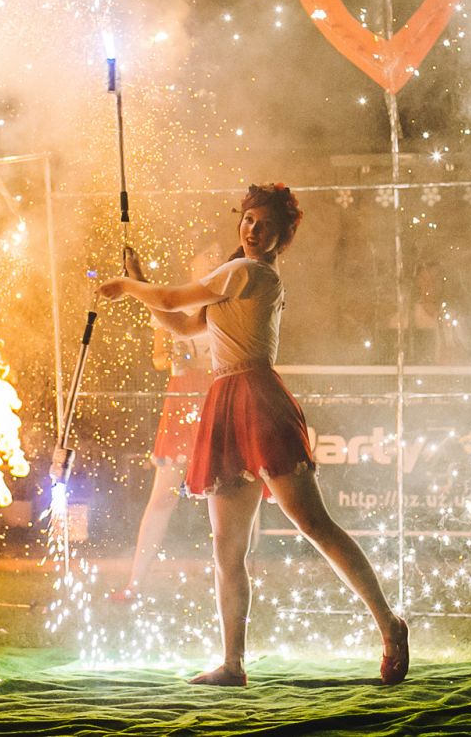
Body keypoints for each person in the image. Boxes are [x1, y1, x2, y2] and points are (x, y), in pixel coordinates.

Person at [99, 184, 409, 686]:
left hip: (258, 399)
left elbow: (173, 298)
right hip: (225, 401)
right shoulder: (233, 273)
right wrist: (138, 282)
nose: (253, 229)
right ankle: (232, 663)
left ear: (282, 237)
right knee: (227, 549)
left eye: (265, 225)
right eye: (248, 219)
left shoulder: (250, 272)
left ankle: (390, 624)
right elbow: (182, 325)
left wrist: (128, 286)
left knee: (314, 524)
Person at [109, 247, 217, 602]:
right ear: (192, 261)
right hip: (182, 395)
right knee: (162, 496)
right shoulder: (173, 302)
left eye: (217, 254)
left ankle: (226, 582)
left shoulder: (223, 300)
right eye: (206, 254)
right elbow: (158, 358)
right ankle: (135, 583)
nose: (212, 259)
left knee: (224, 492)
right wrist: (173, 355)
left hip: (216, 394)